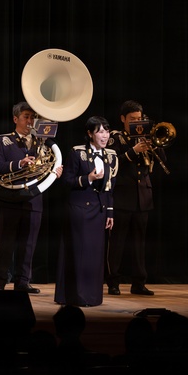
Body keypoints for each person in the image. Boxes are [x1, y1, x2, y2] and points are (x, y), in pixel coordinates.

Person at [0, 101, 63, 293]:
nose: (30, 121)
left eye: (32, 117)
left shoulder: (41, 141)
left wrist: (55, 170)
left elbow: (48, 163)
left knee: (29, 243)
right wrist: (20, 163)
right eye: (26, 117)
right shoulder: (3, 140)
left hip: (33, 197)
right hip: (10, 197)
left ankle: (22, 281)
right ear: (16, 119)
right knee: (6, 242)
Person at [54, 116, 118, 307]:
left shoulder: (111, 155)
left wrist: (110, 212)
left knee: (95, 255)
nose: (104, 135)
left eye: (106, 131)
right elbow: (67, 181)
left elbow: (110, 187)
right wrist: (87, 178)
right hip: (80, 209)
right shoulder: (77, 152)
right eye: (99, 131)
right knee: (79, 253)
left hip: (99, 211)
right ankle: (75, 296)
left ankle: (92, 296)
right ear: (90, 133)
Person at [106, 100, 158, 296]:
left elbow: (160, 161)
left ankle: (139, 282)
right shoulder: (115, 138)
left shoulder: (145, 136)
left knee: (139, 243)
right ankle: (113, 282)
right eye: (133, 119)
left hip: (142, 197)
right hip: (122, 196)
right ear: (123, 119)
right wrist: (132, 152)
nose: (137, 123)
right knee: (117, 242)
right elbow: (112, 162)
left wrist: (155, 146)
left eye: (140, 119)